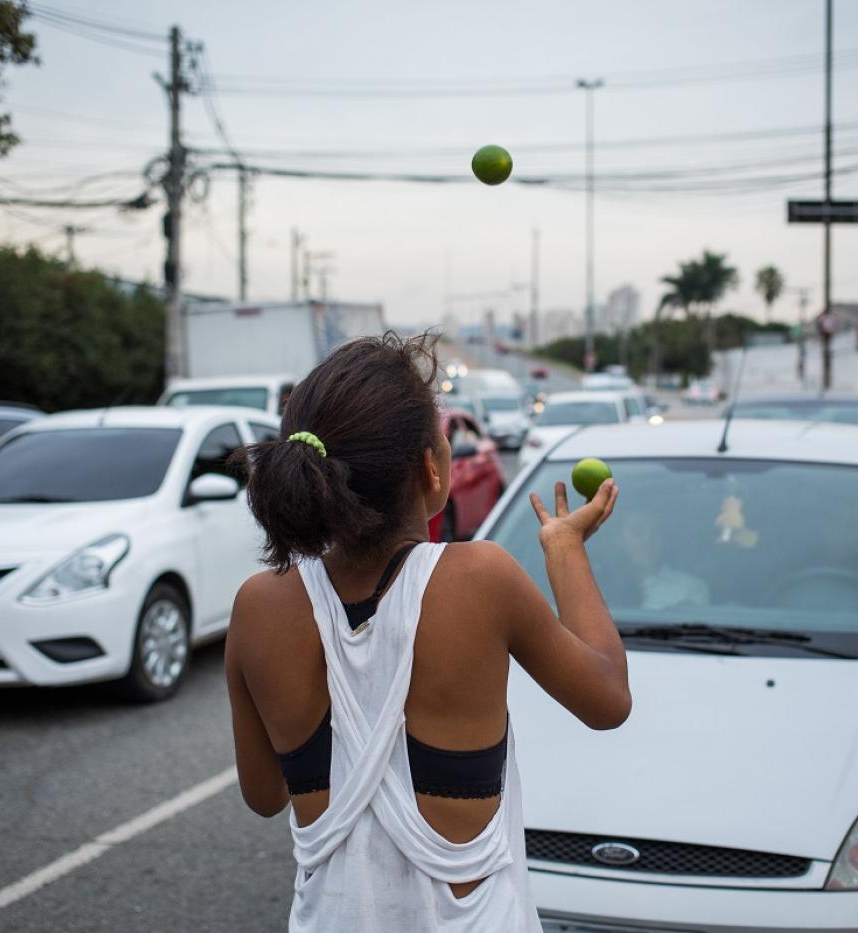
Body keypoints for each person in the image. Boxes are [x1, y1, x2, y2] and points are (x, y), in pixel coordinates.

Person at [224, 334, 630, 932]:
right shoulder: (480, 579)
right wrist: (565, 548)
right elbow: (607, 700)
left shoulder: (258, 606)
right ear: (430, 466)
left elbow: (264, 796)